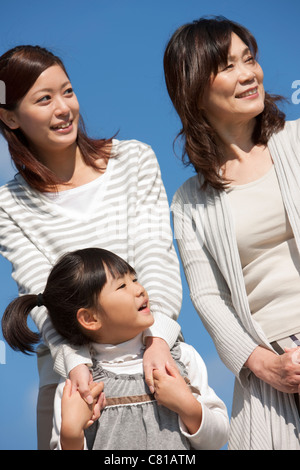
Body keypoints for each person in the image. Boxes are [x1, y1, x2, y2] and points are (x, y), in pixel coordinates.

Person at [0, 45, 182, 449]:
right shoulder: (8, 205)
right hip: (75, 384)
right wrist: (77, 365)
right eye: (43, 99)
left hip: (155, 360)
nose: (63, 108)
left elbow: (156, 254)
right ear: (9, 116)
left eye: (67, 91)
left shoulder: (134, 160)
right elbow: (41, 293)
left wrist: (160, 339)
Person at [164, 16, 300, 450]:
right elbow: (207, 298)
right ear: (194, 91)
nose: (249, 74)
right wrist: (265, 366)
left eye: (250, 59)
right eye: (227, 66)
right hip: (277, 368)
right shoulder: (189, 200)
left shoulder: (297, 142)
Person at [2, 248, 229, 450]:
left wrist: (188, 407)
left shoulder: (180, 358)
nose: (139, 289)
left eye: (135, 279)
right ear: (89, 319)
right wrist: (71, 434)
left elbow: (218, 439)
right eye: (122, 285)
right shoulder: (80, 386)